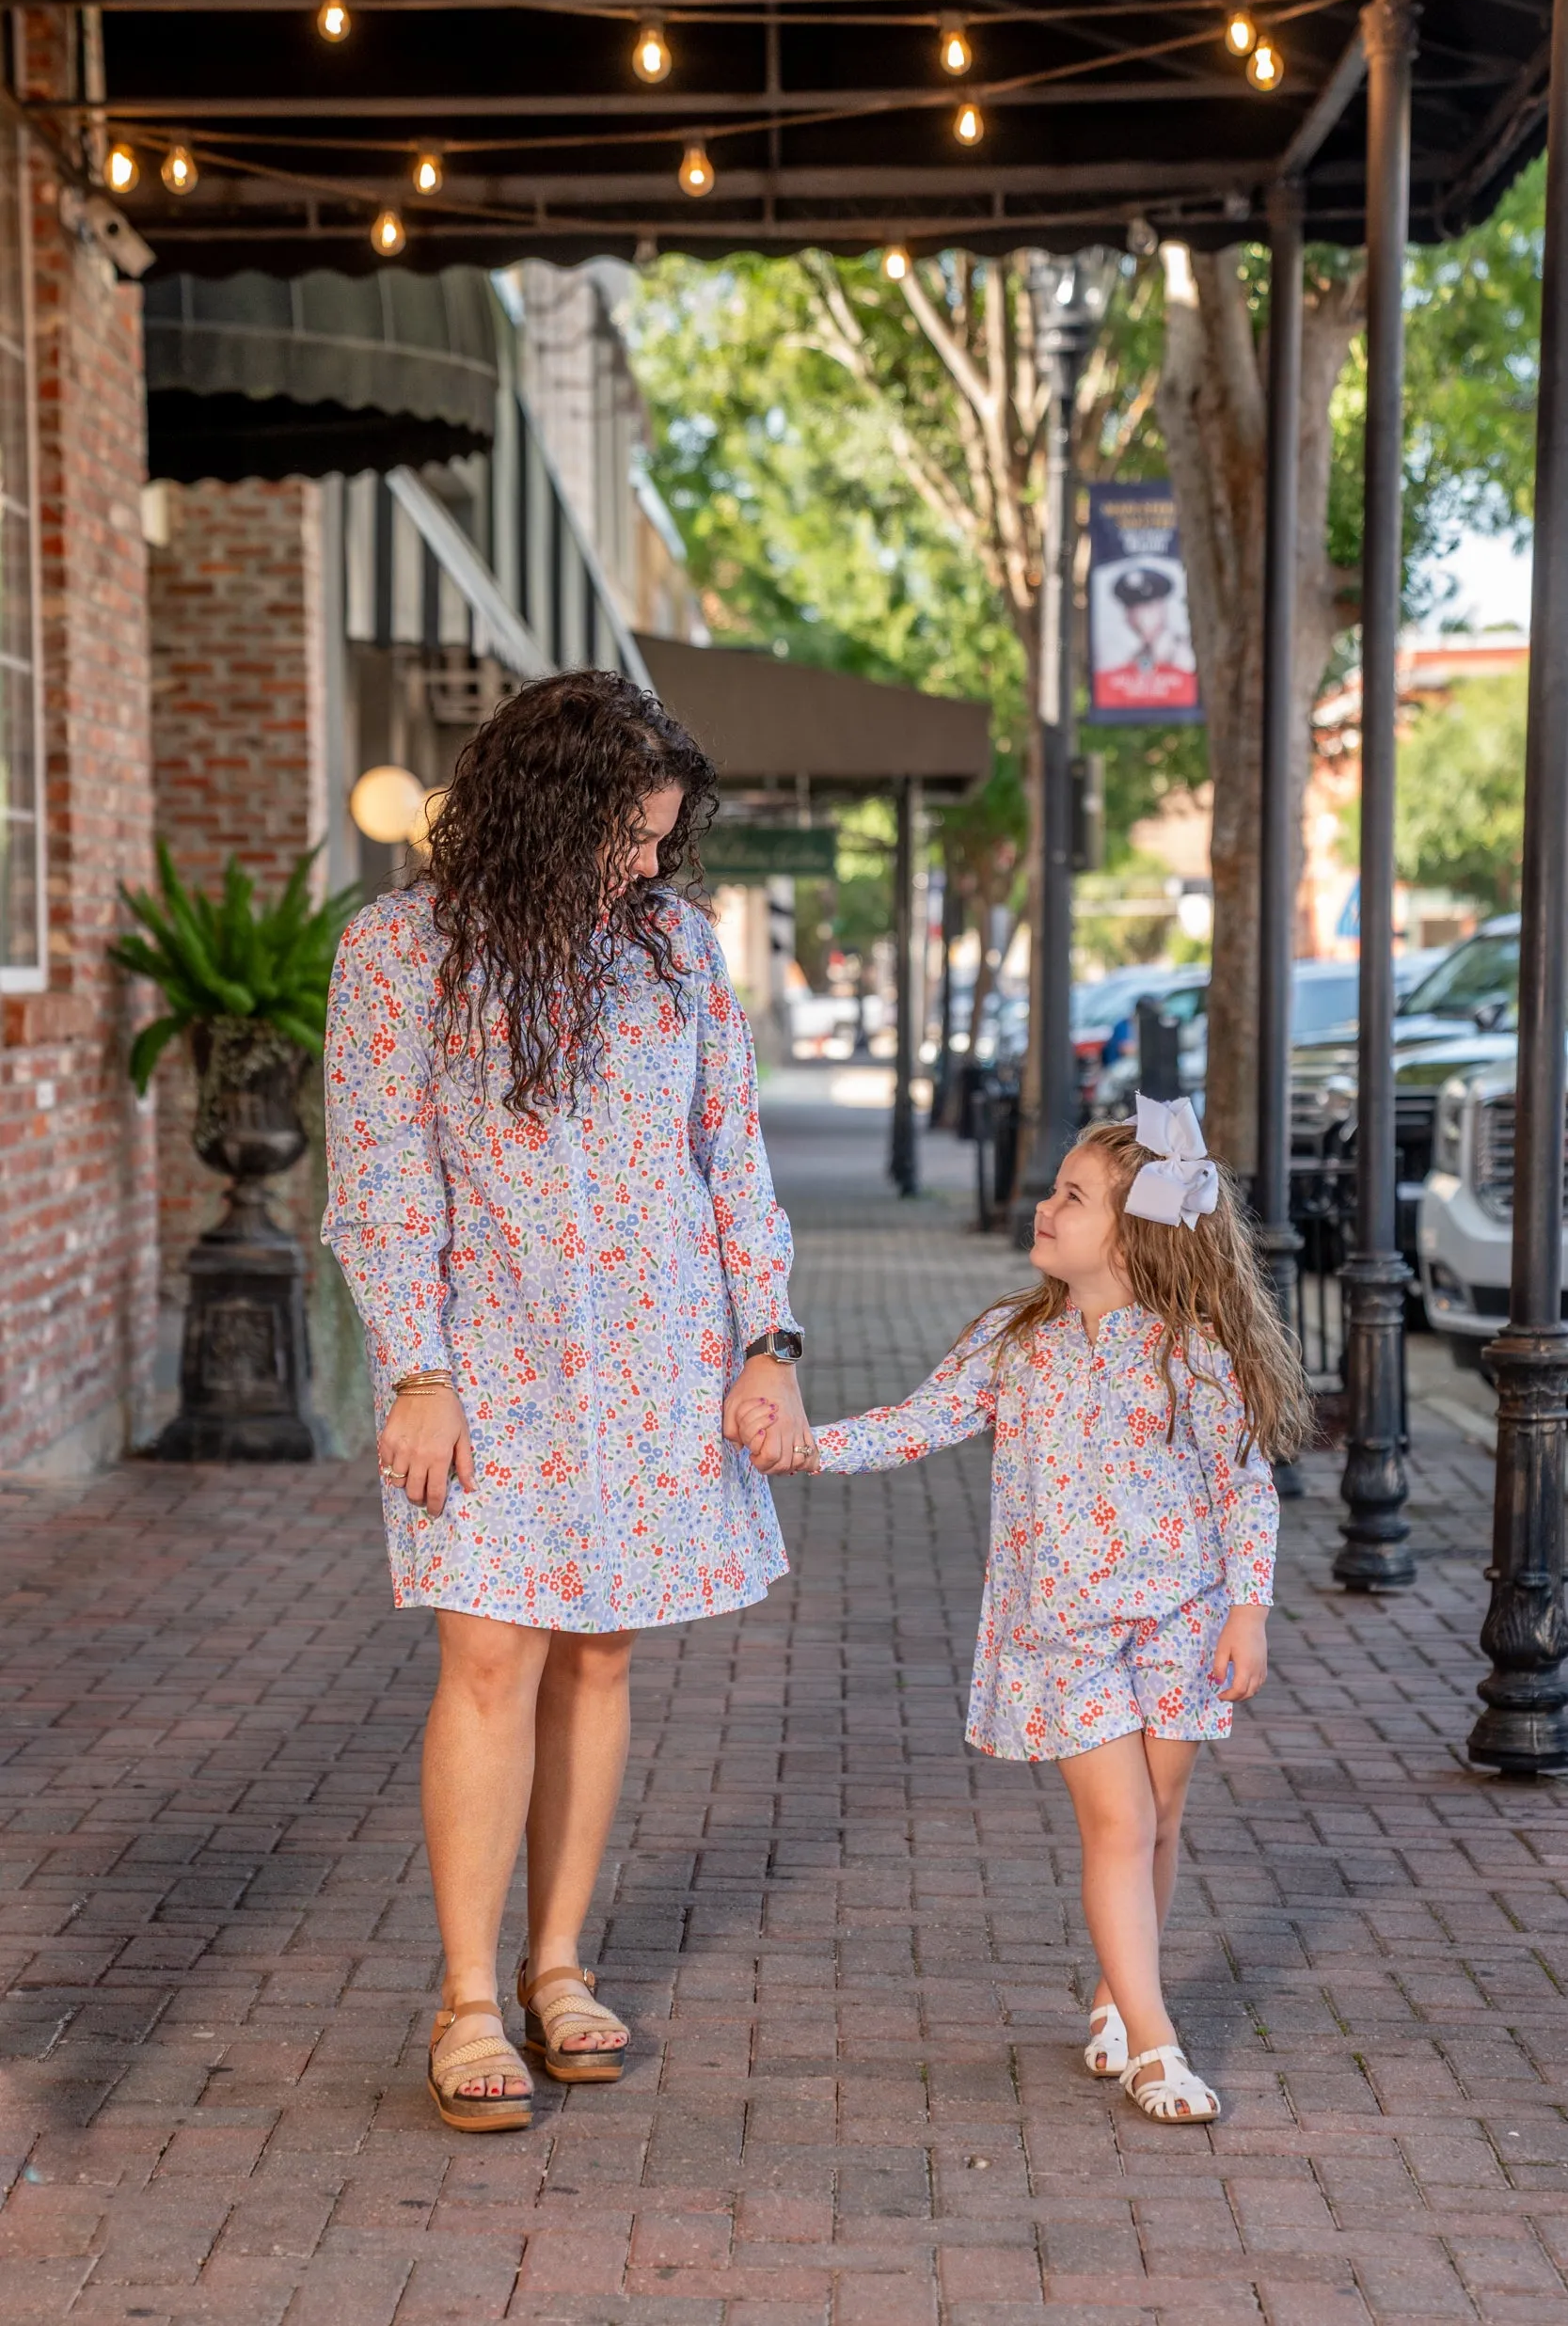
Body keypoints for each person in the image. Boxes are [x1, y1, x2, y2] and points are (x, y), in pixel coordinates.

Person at [323, 671, 814, 2133]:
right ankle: (466, 1995)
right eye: (628, 838)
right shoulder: (399, 955)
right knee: (488, 1656)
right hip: (488, 1362)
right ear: (548, 817)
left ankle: (556, 1965)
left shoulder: (672, 948)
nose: (650, 865)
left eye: (663, 838)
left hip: (659, 1356)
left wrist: (766, 1340)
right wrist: (418, 1371)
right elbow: (382, 1186)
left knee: (595, 1658)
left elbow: (731, 1154)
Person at [740, 1097, 1310, 2125]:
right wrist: (807, 1443)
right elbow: (919, 1421)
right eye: (1053, 1189)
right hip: (1063, 1629)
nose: (1044, 1206)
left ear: (1133, 1236)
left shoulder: (1194, 1352)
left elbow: (1242, 1488)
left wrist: (1246, 1610)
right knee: (1118, 1820)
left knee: (1159, 1820)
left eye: (1071, 1196)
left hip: (1181, 1621)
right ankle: (1153, 2041)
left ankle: (1112, 1993)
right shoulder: (1015, 1341)